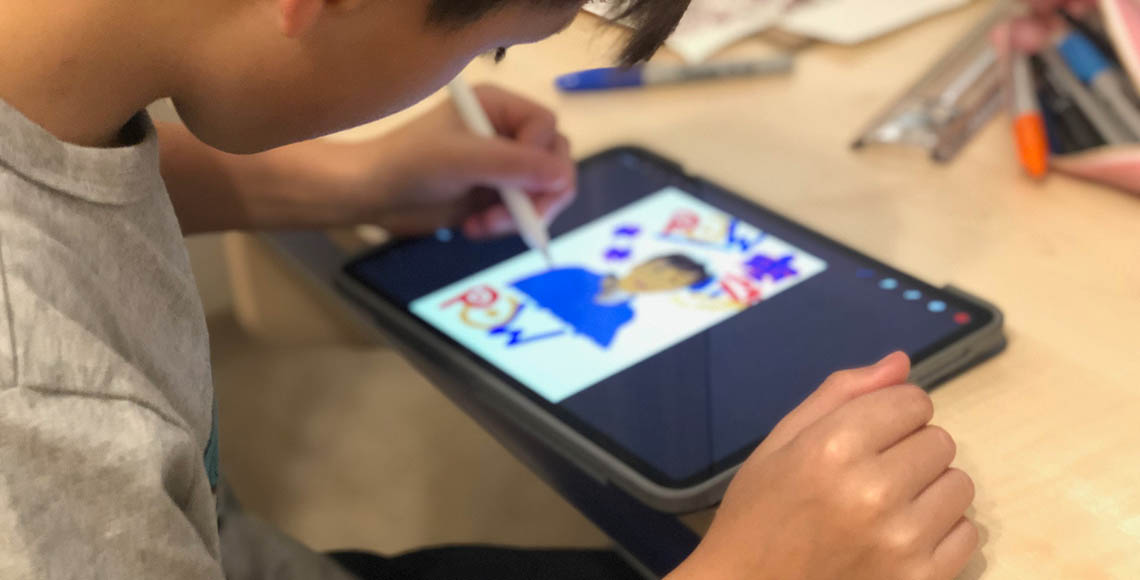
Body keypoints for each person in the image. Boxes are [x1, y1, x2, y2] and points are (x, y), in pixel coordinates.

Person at [0, 1, 979, 579]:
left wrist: (351, 181)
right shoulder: (41, 413)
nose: (468, 74)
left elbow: (64, 175)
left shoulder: (53, 77)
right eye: (490, 45)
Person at [512, 254, 711, 348]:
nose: (655, 281)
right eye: (658, 271)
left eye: (673, 282)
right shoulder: (576, 275)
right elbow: (512, 293)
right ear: (645, 262)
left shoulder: (623, 317)